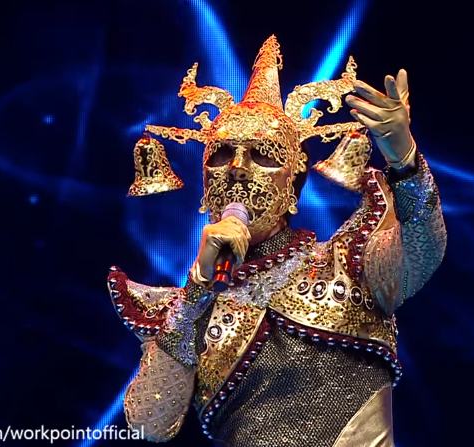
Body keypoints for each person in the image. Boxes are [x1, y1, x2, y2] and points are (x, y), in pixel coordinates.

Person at [107, 35, 446, 447]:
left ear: (294, 180)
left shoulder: (350, 266)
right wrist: (197, 289)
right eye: (221, 154)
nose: (237, 168)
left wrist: (405, 162)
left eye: (262, 155)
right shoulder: (190, 311)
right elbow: (148, 424)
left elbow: (423, 248)